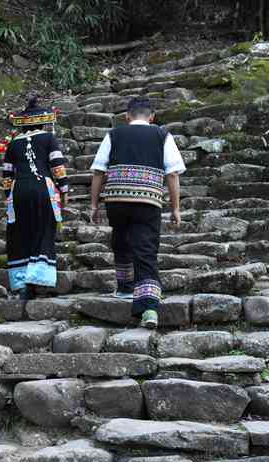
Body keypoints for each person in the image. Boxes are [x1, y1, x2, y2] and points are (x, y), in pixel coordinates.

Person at [89, 96, 186, 329]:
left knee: (121, 239)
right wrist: (175, 208)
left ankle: (125, 287)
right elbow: (172, 174)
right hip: (148, 201)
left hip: (117, 200)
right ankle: (149, 307)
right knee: (146, 249)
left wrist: (93, 205)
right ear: (152, 117)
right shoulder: (162, 135)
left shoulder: (114, 135)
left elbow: (98, 171)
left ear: (127, 116)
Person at [2, 95, 69, 301]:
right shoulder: (48, 138)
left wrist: (8, 197)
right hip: (43, 189)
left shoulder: (13, 144)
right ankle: (39, 279)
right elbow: (57, 166)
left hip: (19, 190)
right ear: (43, 122)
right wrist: (64, 189)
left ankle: (22, 283)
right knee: (43, 228)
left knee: (21, 232)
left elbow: (6, 175)